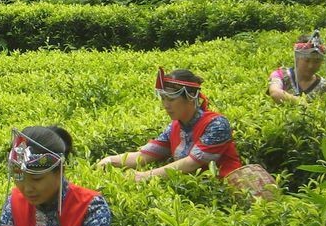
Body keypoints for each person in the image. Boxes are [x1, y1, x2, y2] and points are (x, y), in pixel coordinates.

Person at [99, 68, 277, 199]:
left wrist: (145, 176)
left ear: (190, 98)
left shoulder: (216, 124)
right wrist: (111, 160)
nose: (165, 105)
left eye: (171, 99)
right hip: (195, 196)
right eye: (163, 99)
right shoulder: (174, 127)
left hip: (229, 195)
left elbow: (192, 163)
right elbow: (145, 156)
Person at [268, 30, 326, 102]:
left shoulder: (324, 86)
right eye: (306, 60)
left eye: (316, 61)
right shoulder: (280, 75)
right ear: (297, 58)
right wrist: (301, 103)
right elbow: (275, 93)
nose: (311, 66)